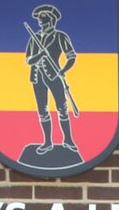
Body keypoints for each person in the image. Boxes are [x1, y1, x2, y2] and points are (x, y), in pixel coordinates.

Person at [25, 4, 78, 155]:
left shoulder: (60, 36)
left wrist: (62, 71)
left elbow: (71, 57)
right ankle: (47, 142)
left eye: (44, 19)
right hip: (37, 77)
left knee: (62, 108)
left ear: (51, 20)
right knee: (42, 110)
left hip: (54, 77)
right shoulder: (34, 38)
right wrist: (40, 55)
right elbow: (28, 60)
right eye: (39, 20)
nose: (40, 22)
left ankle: (67, 139)